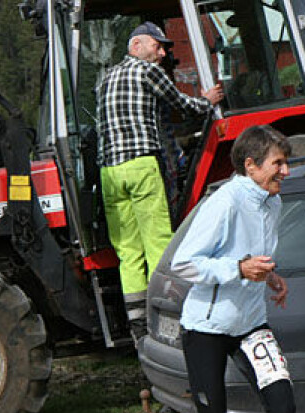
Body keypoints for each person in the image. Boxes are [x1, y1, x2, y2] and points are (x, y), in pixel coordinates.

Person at [161, 125, 305, 413]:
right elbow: (183, 264)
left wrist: (271, 277)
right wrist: (237, 269)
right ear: (250, 166)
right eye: (278, 164)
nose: (285, 171)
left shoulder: (273, 202)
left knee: (283, 406)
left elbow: (256, 255)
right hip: (207, 328)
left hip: (250, 323)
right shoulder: (224, 203)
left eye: (286, 163)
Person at [97, 21, 224, 344]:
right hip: (141, 165)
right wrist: (207, 100)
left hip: (110, 173)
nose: (164, 52)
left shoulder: (105, 78)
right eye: (159, 45)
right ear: (137, 45)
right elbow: (182, 106)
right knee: (159, 244)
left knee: (128, 252)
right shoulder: (147, 72)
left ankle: (138, 325)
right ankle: (167, 318)